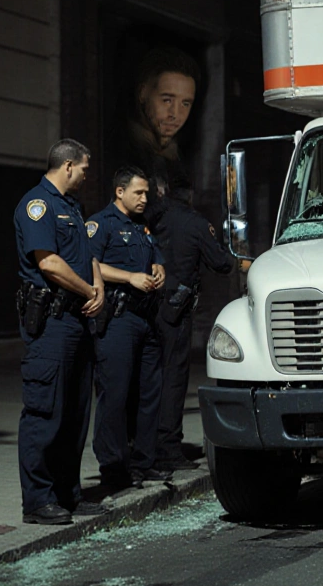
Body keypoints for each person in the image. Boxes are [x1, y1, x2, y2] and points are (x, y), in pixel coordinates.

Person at [14, 139, 109, 524]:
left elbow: (87, 256)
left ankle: (68, 494)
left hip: (77, 320)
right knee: (45, 412)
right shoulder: (38, 205)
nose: (86, 175)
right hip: (52, 324)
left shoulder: (72, 207)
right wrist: (88, 290)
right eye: (84, 168)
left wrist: (98, 286)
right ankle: (38, 501)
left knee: (74, 414)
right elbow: (49, 263)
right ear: (68, 166)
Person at [86, 166, 173, 488]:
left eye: (146, 193)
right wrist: (129, 277)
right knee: (115, 394)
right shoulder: (101, 223)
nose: (144, 198)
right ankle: (113, 466)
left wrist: (158, 269)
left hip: (146, 319)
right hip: (118, 319)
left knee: (149, 393)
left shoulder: (141, 226)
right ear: (119, 192)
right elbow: (90, 264)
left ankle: (143, 462)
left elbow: (156, 258)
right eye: (138, 192)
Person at [151, 177, 240, 471]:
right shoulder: (195, 223)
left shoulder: (153, 219)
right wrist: (235, 256)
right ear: (189, 195)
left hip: (148, 308)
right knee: (174, 379)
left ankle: (143, 445)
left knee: (150, 378)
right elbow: (221, 263)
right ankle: (168, 448)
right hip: (176, 310)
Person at [119, 47, 200, 210]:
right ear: (143, 94)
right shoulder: (124, 151)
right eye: (167, 100)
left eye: (185, 103)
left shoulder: (177, 157)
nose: (175, 114)